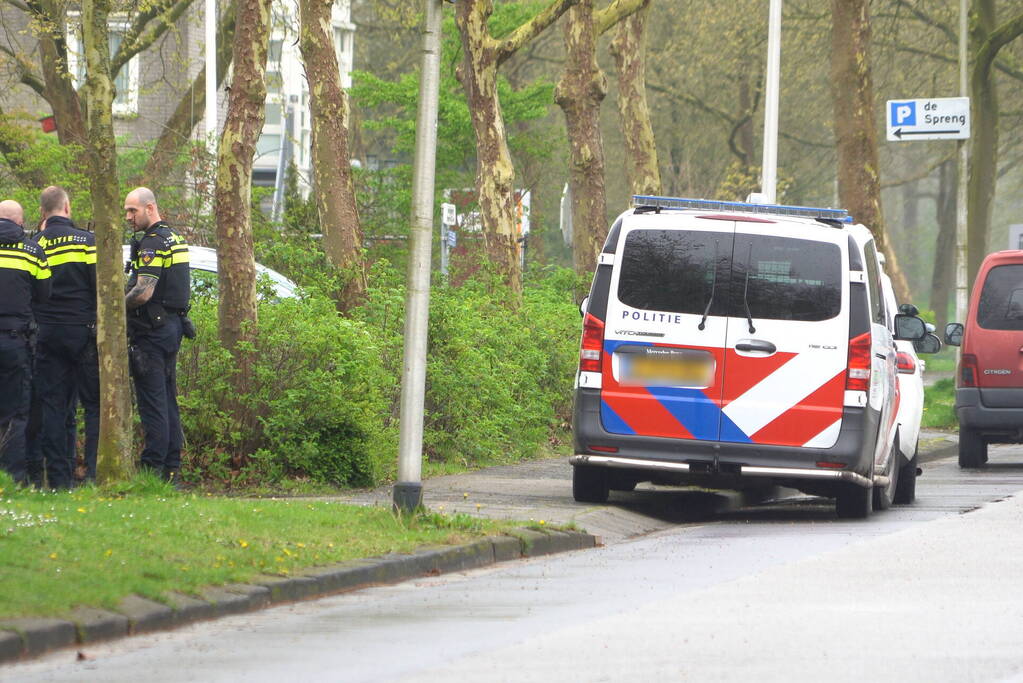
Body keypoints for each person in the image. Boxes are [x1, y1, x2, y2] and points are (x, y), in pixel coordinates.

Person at [32, 186, 100, 488]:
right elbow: (99, 286)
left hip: (47, 333)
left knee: (55, 406)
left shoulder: (35, 244)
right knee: (93, 405)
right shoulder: (88, 241)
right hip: (83, 332)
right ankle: (95, 474)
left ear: (43, 213)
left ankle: (59, 479)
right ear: (68, 207)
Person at [123, 188, 190, 483]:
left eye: (132, 211)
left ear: (150, 208)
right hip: (171, 327)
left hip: (152, 331)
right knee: (166, 400)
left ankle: (153, 470)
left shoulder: (152, 243)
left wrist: (114, 309)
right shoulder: (174, 237)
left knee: (153, 403)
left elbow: (143, 291)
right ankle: (171, 469)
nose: (128, 217)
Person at [0, 200, 50, 484]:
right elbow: (45, 293)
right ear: (21, 223)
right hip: (15, 341)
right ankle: (13, 478)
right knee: (16, 413)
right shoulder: (32, 250)